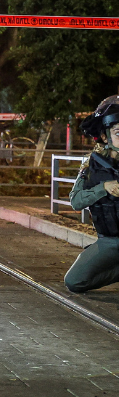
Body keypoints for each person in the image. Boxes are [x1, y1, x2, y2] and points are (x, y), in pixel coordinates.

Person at [65, 96, 119, 293]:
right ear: (105, 136)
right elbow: (76, 201)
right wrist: (103, 188)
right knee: (74, 281)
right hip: (109, 241)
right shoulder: (91, 166)